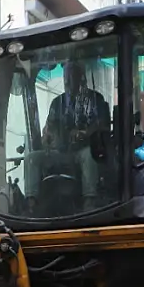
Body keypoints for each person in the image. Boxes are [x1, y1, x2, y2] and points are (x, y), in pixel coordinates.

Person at [41, 59, 111, 202]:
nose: (67, 80)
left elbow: (102, 123)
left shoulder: (96, 99)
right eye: (66, 75)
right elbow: (49, 126)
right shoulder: (56, 103)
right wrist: (47, 135)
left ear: (81, 77)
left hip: (86, 149)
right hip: (60, 152)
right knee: (32, 159)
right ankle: (32, 203)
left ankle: (89, 201)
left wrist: (85, 133)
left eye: (72, 75)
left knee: (88, 155)